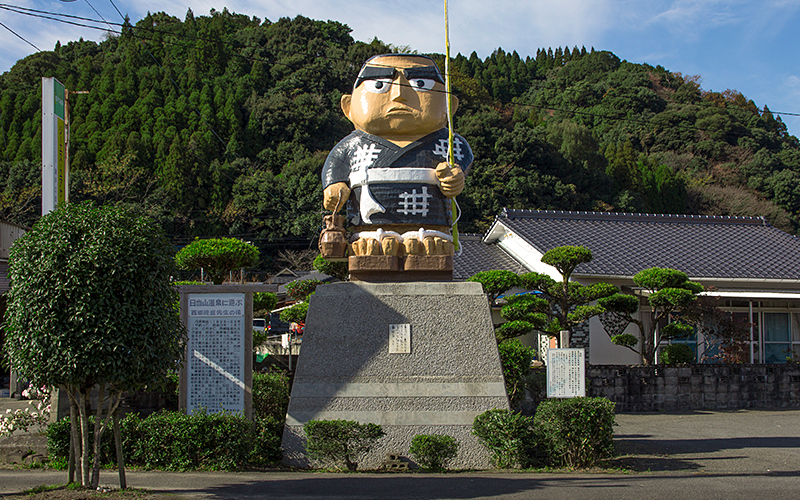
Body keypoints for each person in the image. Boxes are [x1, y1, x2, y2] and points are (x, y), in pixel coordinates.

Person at [321, 54, 473, 271]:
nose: (399, 95)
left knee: (431, 249)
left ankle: (429, 242)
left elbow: (460, 166)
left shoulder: (448, 142)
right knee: (370, 249)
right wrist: (334, 186)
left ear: (450, 106)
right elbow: (335, 167)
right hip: (369, 228)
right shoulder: (352, 144)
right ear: (348, 107)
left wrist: (454, 178)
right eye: (379, 85)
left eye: (421, 84)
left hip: (431, 224)